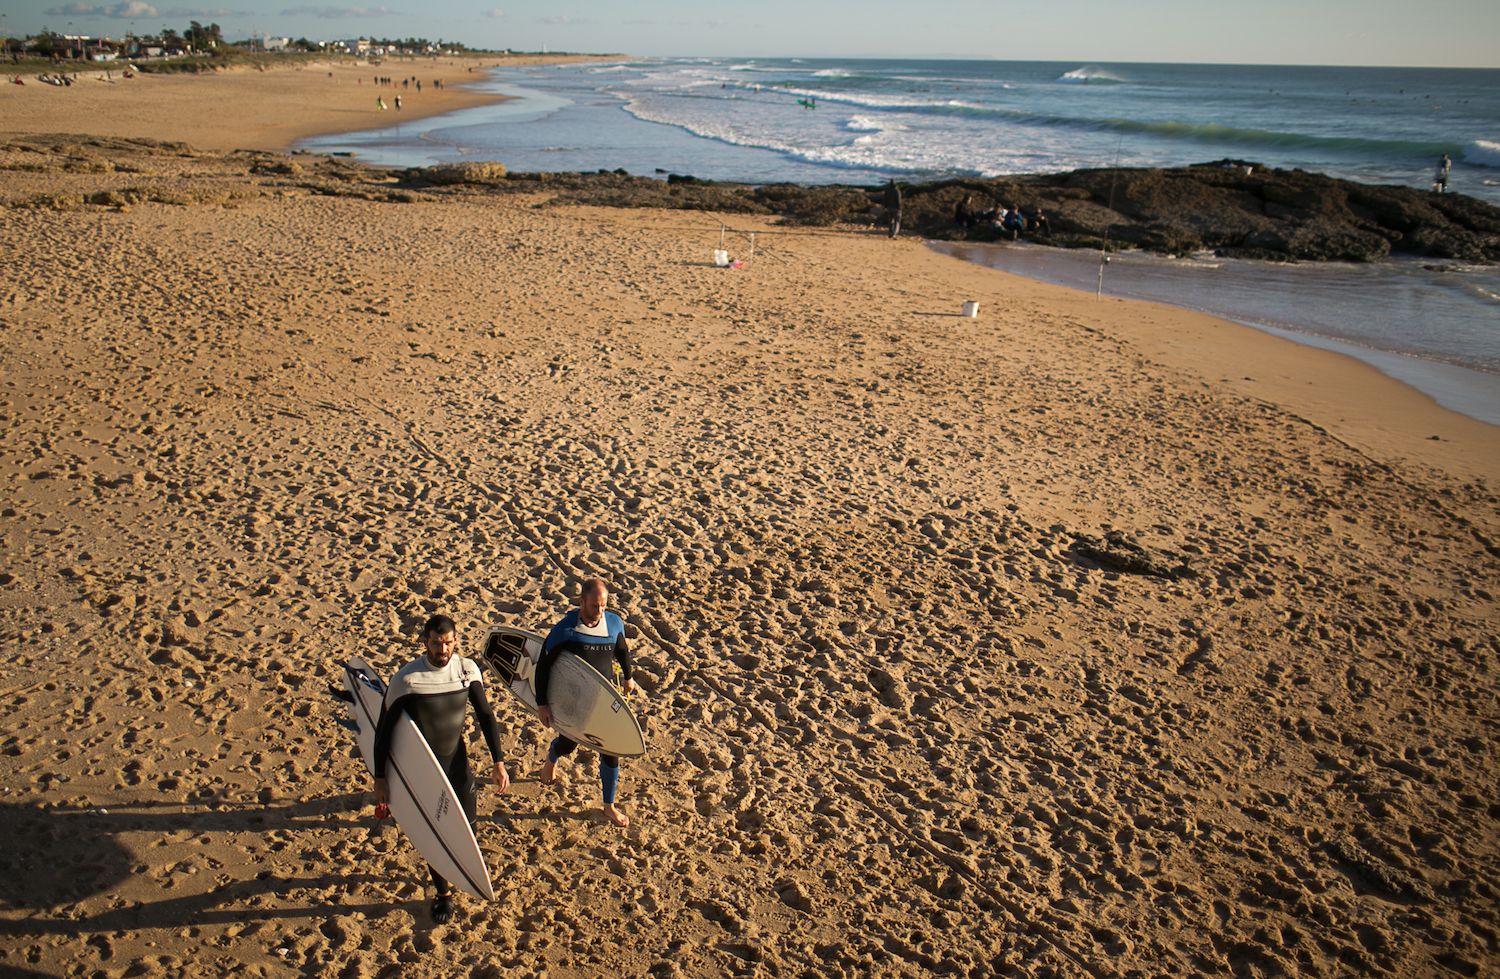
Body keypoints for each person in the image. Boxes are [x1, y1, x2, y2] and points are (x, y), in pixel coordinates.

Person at [372, 614, 510, 924]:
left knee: (466, 831)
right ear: (424, 642)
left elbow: (486, 716)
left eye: (448, 643)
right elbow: (383, 731)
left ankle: (458, 873)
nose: (442, 650)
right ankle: (443, 894)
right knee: (437, 837)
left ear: (456, 641)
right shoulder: (407, 680)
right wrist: (380, 778)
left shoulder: (467, 670)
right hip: (425, 769)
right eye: (435, 643)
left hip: (456, 761)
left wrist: (498, 762)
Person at [536, 579, 635, 827]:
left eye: (603, 605)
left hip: (603, 699)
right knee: (569, 745)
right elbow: (544, 666)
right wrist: (542, 704)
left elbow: (622, 650)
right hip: (574, 700)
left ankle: (609, 806)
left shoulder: (613, 624)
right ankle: (551, 758)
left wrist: (628, 677)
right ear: (581, 602)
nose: (599, 611)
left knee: (611, 751)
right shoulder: (566, 630)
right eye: (594, 606)